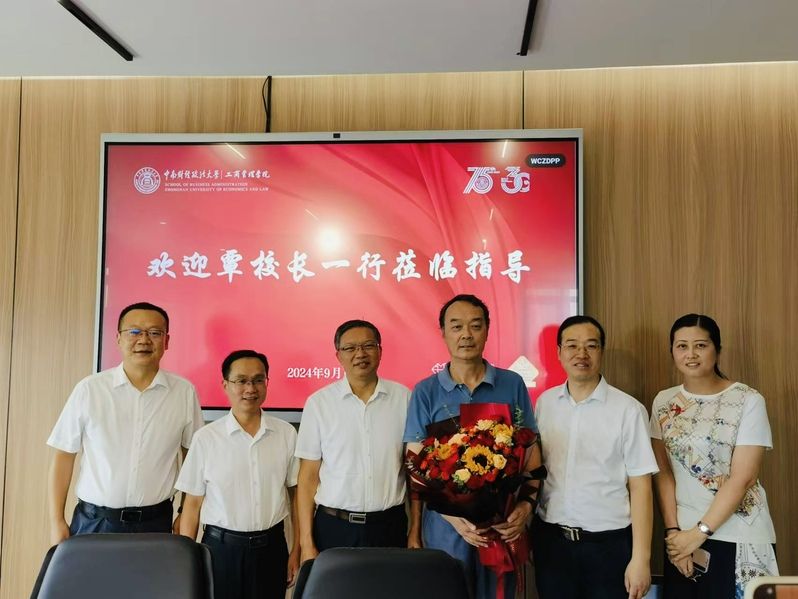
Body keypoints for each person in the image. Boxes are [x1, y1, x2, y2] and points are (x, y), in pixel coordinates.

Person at [403, 294, 540, 599]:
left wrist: (524, 507)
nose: (466, 334)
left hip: (500, 528)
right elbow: (415, 464)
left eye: (475, 325)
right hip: (447, 530)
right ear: (443, 333)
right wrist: (451, 517)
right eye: (456, 326)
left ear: (487, 330)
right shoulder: (425, 391)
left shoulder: (512, 384)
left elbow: (531, 454)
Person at [47, 301, 203, 545]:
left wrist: (185, 513)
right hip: (95, 523)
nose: (144, 340)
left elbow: (193, 459)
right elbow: (64, 457)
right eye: (134, 331)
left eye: (154, 333)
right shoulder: (90, 389)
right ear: (118, 339)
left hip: (155, 523)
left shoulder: (183, 393)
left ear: (166, 341)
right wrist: (57, 520)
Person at [650, 313, 778, 598]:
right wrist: (674, 532)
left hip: (738, 534)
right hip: (681, 541)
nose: (691, 354)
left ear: (717, 350)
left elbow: (744, 478)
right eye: (682, 346)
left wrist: (699, 533)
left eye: (701, 345)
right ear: (672, 351)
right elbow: (663, 472)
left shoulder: (748, 400)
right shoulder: (664, 401)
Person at [532, 315, 657, 599]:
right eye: (572, 345)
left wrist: (641, 558)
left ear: (601, 351)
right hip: (552, 542)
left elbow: (641, 487)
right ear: (559, 352)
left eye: (591, 345)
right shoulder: (545, 404)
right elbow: (538, 472)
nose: (582, 354)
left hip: (608, 546)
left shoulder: (628, 410)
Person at [177, 349, 299, 599]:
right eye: (241, 380)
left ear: (266, 383)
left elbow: (296, 496)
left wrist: (296, 549)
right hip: (220, 551)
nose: (250, 388)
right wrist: (187, 561)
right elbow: (192, 505)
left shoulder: (286, 434)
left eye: (258, 380)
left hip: (272, 549)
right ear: (226, 385)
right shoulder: (206, 438)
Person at [296, 319, 411, 561]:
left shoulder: (404, 399)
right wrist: (306, 543)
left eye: (368, 346)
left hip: (389, 526)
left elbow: (413, 472)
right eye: (350, 348)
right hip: (334, 528)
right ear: (338, 355)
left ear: (380, 351)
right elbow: (307, 478)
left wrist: (415, 530)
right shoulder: (319, 403)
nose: (360, 354)